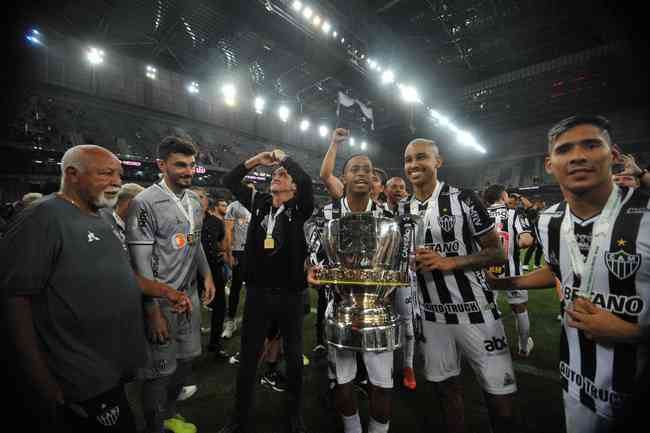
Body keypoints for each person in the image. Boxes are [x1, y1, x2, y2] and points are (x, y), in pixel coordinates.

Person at [486, 115, 650, 433]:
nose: (578, 156)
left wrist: (635, 332)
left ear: (614, 155)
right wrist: (503, 282)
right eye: (565, 150)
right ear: (550, 164)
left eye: (591, 145)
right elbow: (556, 270)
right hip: (576, 381)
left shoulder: (645, 214)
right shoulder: (550, 219)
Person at [1, 145, 150, 432]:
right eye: (106, 173)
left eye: (119, 174)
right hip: (79, 374)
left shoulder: (99, 216)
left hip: (109, 366)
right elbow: (15, 302)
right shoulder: (40, 218)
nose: (117, 182)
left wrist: (164, 292)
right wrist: (41, 380)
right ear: (72, 175)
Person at [400, 138, 515, 433]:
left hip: (476, 312)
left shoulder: (463, 199)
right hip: (431, 315)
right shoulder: (401, 207)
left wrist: (449, 262)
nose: (414, 164)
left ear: (438, 162)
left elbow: (497, 252)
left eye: (421, 157)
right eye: (409, 159)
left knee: (499, 398)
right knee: (446, 391)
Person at [218, 148, 313, 433]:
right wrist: (255, 160)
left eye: (283, 175)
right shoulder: (259, 202)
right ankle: (238, 418)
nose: (277, 176)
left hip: (291, 295)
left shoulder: (300, 207)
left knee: (294, 358)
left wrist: (285, 159)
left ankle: (294, 415)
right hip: (258, 294)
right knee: (248, 357)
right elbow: (230, 181)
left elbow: (307, 181)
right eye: (274, 174)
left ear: (293, 185)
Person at [126, 136, 216, 433]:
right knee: (159, 373)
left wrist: (207, 275)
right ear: (161, 165)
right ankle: (154, 427)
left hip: (188, 298)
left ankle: (170, 413)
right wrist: (152, 310)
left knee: (186, 362)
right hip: (160, 300)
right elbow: (139, 263)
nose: (188, 170)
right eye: (180, 165)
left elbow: (196, 240)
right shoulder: (144, 203)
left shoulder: (193, 200)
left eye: (191, 164)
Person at [308, 152, 396, 433]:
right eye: (354, 169)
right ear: (343, 177)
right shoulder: (326, 215)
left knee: (382, 384)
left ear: (373, 179)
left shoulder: (389, 217)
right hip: (340, 308)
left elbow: (400, 264)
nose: (361, 174)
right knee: (342, 381)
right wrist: (310, 270)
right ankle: (352, 429)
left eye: (367, 170)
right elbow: (311, 256)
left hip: (378, 311)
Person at [483, 184, 536, 357]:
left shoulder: (480, 216)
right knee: (519, 308)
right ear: (504, 196)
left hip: (487, 271)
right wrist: (515, 244)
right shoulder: (514, 214)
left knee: (489, 308)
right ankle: (523, 347)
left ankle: (494, 346)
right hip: (511, 270)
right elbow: (527, 241)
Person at [193, 190, 230, 359]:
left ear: (207, 202)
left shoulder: (216, 222)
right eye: (192, 196)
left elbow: (222, 243)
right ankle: (187, 348)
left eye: (200, 196)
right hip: (189, 270)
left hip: (213, 269)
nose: (196, 199)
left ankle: (215, 344)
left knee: (219, 307)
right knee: (190, 307)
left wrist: (224, 254)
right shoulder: (181, 218)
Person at [223, 184, 254, 339]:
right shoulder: (233, 207)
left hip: (255, 254)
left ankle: (252, 321)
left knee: (254, 288)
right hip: (239, 252)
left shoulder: (257, 206)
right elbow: (228, 231)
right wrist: (229, 253)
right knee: (236, 287)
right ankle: (230, 321)